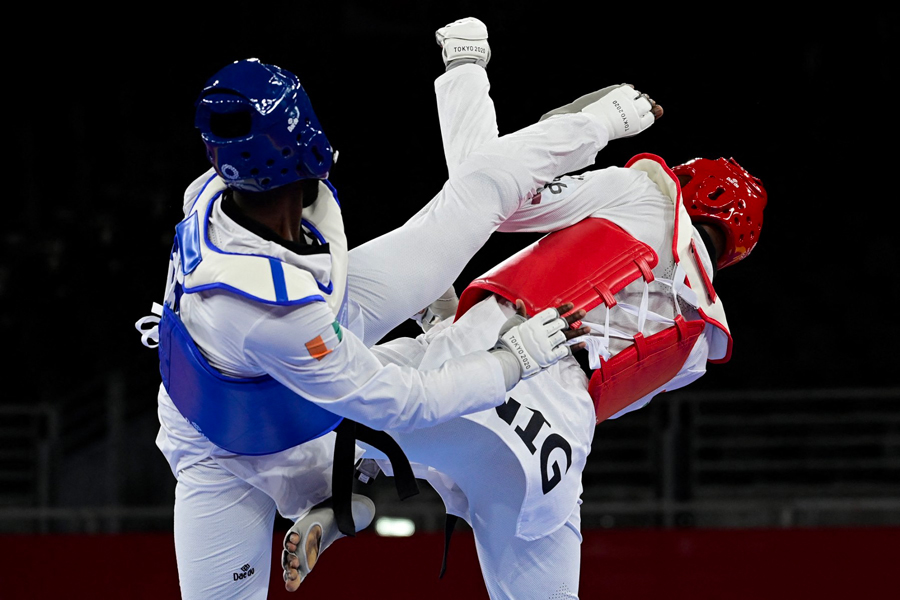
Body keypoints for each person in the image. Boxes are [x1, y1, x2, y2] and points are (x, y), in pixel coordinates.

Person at [136, 43, 662, 598]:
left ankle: (345, 491)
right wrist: (512, 361)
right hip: (223, 443)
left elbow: (480, 187)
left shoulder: (216, 190)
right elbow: (402, 400)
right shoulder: (273, 311)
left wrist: (594, 123)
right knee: (395, 404)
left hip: (305, 323)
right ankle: (342, 491)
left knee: (473, 198)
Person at [281, 17, 766, 600]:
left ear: (688, 184)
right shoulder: (701, 340)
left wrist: (466, 70)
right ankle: (352, 482)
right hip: (552, 451)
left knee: (310, 394)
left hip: (484, 359)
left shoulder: (646, 193)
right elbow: (601, 377)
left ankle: (340, 492)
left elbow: (493, 188)